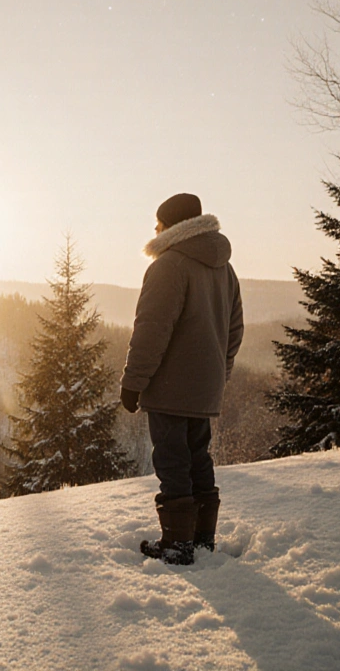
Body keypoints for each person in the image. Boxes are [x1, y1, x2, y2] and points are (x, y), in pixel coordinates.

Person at [120, 193, 243, 565]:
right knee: (198, 459)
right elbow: (234, 330)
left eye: (157, 223)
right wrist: (218, 375)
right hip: (205, 387)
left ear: (170, 226)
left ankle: (177, 545)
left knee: (173, 462)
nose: (154, 230)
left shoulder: (168, 265)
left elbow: (151, 331)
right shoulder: (224, 267)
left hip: (171, 388)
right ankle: (202, 538)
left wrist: (133, 382)